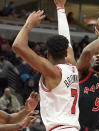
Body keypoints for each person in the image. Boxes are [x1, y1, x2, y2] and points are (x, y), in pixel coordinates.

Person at [12, 0, 80, 130]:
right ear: (66, 51)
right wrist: (60, 9)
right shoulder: (73, 66)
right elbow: (66, 37)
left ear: (48, 54)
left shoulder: (52, 71)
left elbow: (17, 46)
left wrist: (28, 24)